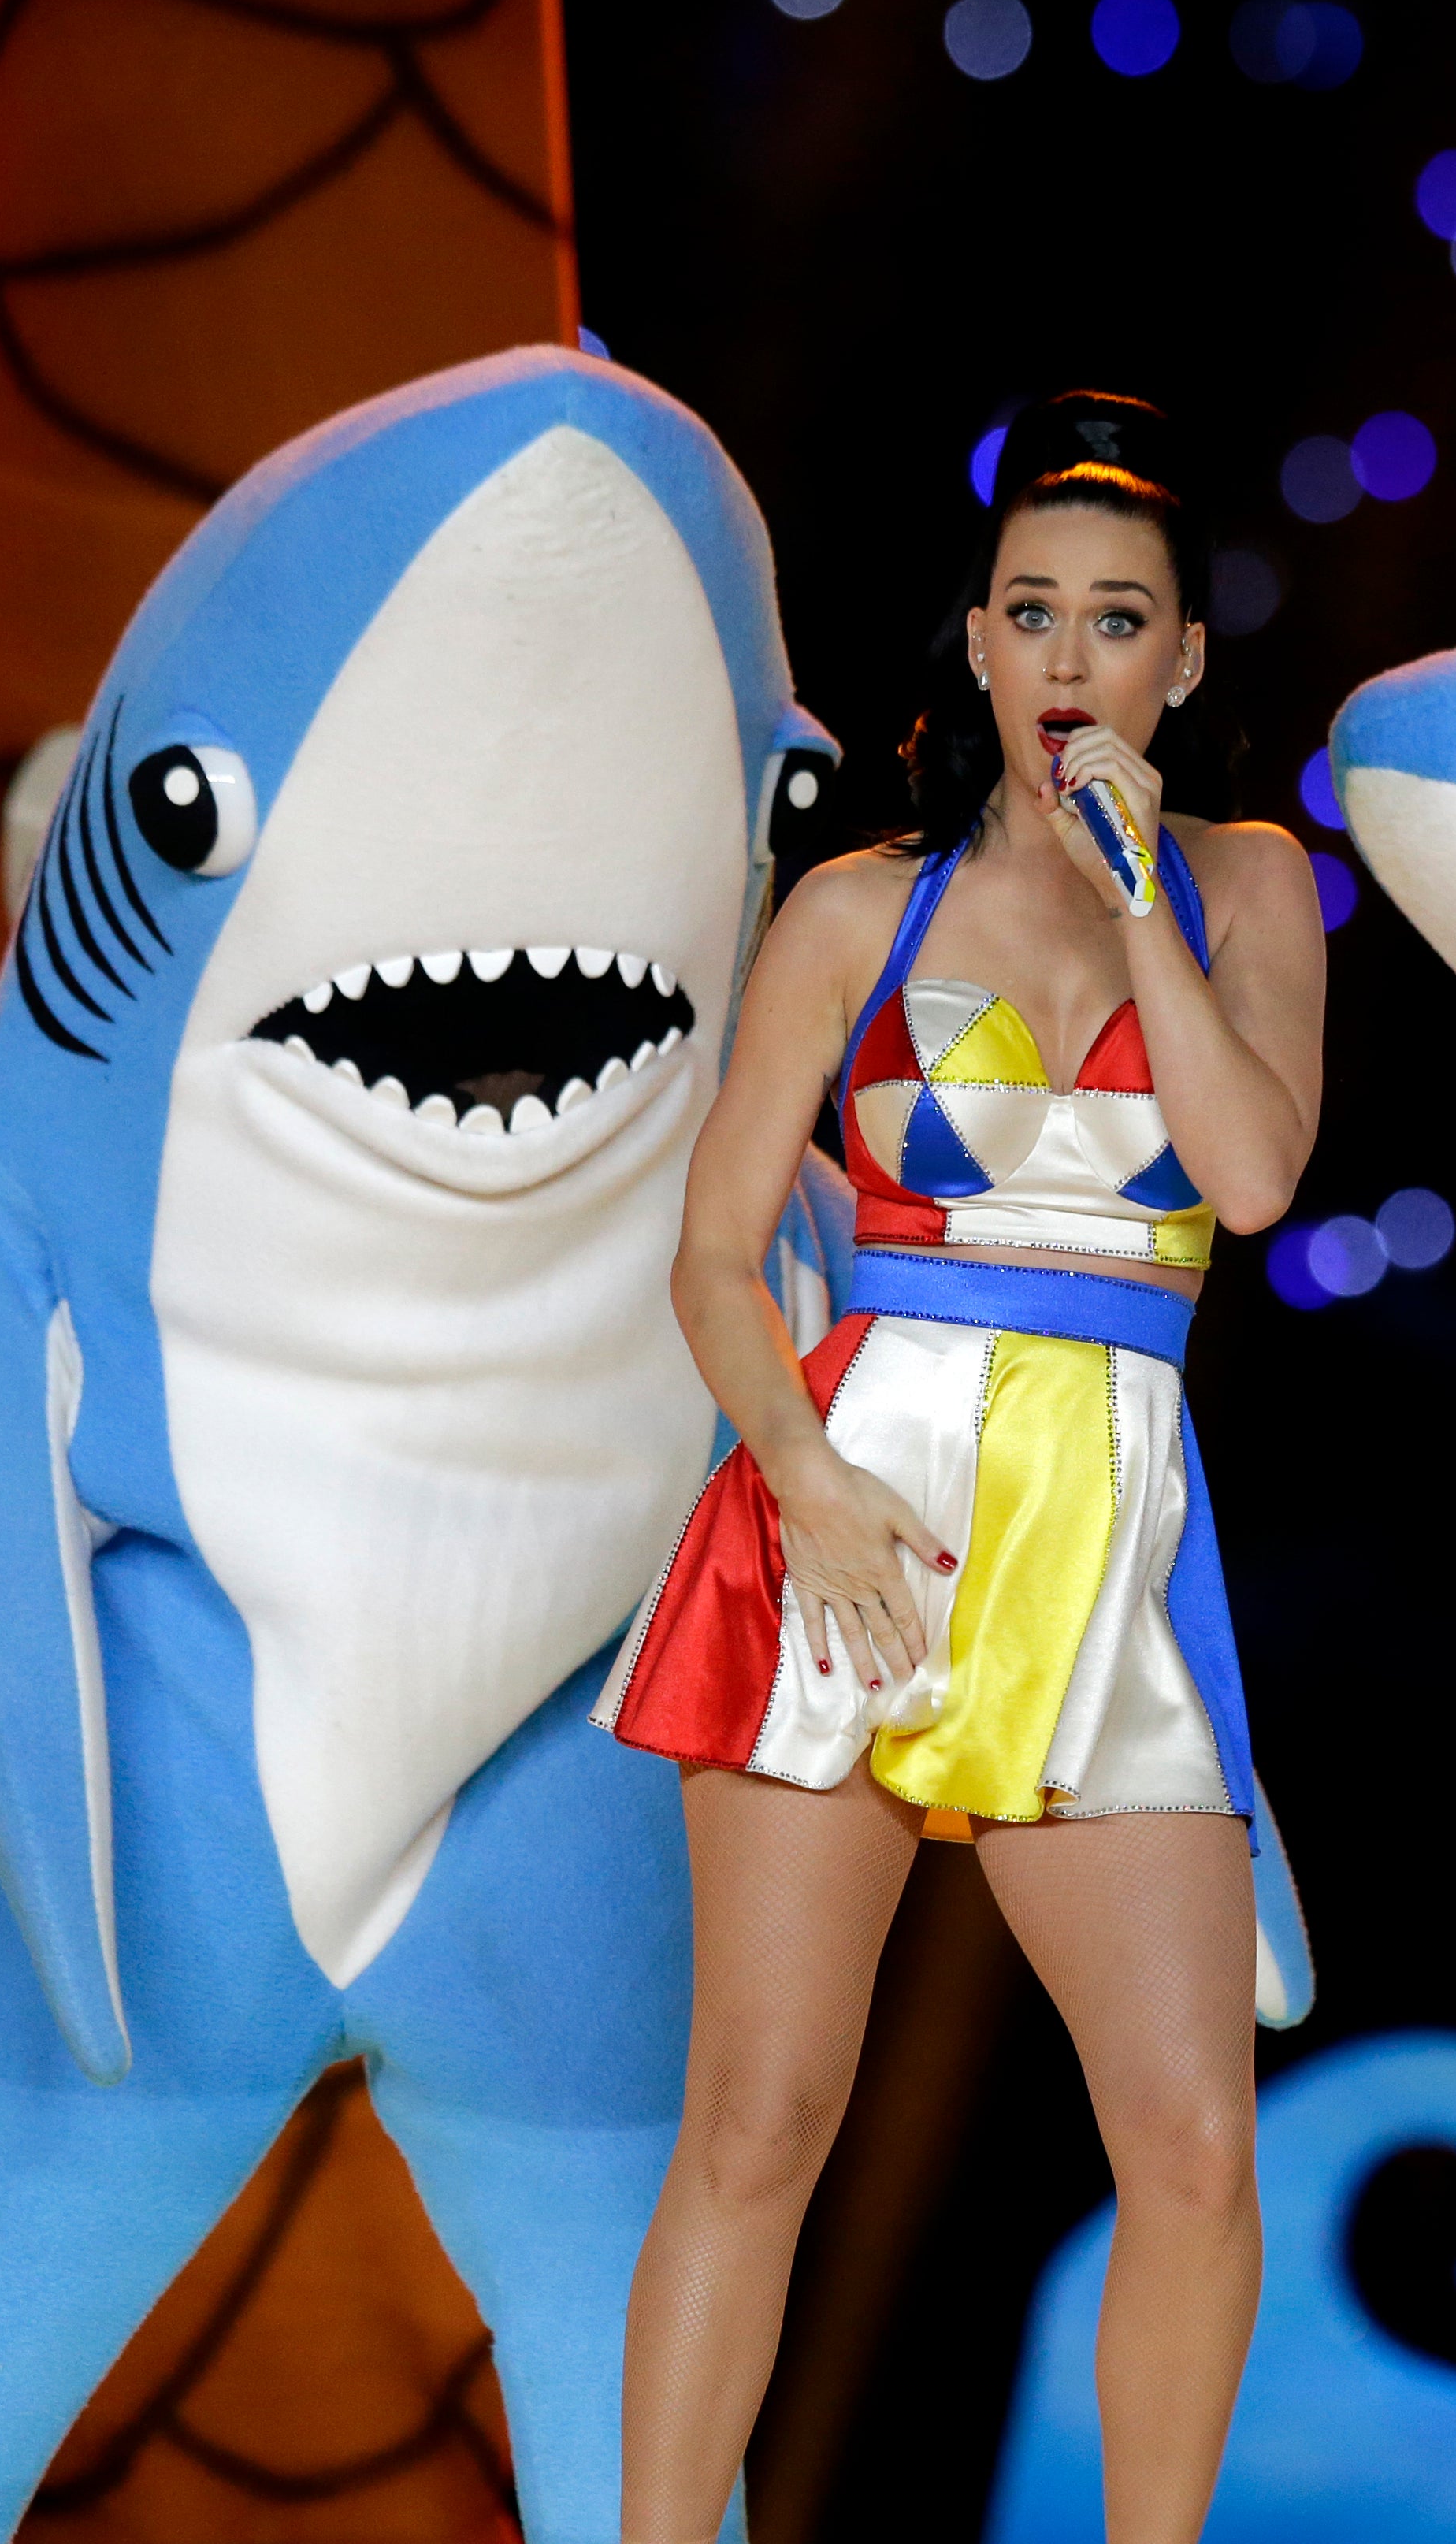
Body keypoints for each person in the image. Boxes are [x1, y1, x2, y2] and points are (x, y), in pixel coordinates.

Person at [593, 392, 1324, 2544]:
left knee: (1191, 2150)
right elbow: (718, 1258)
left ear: (1182, 664)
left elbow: (1262, 1178)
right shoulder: (853, 909)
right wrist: (805, 1480)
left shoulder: (1249, 888)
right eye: (1034, 617)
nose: (1071, 661)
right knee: (756, 2118)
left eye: (1119, 621)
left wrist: (1137, 909)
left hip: (1099, 1550)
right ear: (983, 648)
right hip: (852, 1525)